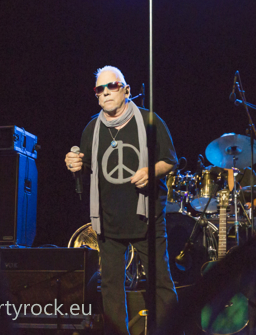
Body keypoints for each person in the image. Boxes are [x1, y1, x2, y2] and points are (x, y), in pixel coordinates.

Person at [65, 66, 178, 335]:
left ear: (126, 90)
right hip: (108, 222)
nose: (105, 93)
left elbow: (170, 161)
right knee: (111, 288)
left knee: (160, 283)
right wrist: (74, 165)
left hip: (146, 218)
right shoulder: (91, 129)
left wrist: (152, 172)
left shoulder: (150, 121)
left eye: (111, 86)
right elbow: (87, 172)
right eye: (99, 89)